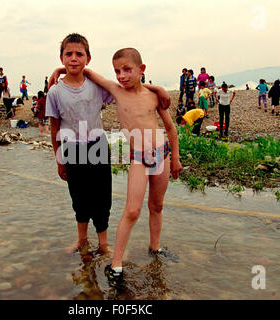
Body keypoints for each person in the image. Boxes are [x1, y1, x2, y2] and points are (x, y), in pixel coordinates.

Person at [46, 34, 171, 259]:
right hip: (71, 149)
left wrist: (158, 88)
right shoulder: (55, 91)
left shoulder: (96, 86)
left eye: (79, 54)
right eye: (68, 54)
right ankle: (82, 241)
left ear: (88, 58)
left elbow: (129, 88)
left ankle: (103, 245)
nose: (74, 58)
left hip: (98, 146)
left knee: (102, 197)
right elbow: (54, 127)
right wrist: (58, 159)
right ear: (61, 57)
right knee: (79, 197)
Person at [74, 48, 181, 287]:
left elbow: (171, 129)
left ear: (141, 70)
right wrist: (60, 70)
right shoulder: (117, 91)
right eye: (117, 71)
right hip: (138, 158)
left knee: (157, 205)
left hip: (162, 154)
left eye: (127, 70)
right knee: (132, 210)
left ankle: (155, 247)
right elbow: (90, 73)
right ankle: (116, 263)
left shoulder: (154, 96)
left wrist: (176, 158)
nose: (121, 75)